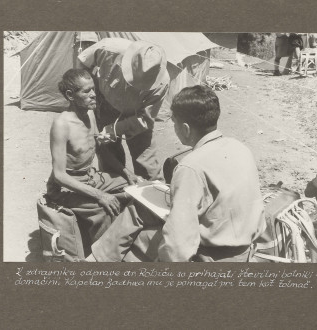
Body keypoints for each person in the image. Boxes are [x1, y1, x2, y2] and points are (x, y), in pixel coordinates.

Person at [86, 85, 266, 262]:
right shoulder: (239, 147)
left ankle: (100, 263)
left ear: (186, 128)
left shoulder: (190, 167)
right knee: (139, 208)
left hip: (213, 254)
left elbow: (177, 247)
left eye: (174, 124)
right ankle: (98, 258)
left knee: (142, 240)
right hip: (242, 242)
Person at [45, 68, 135, 251]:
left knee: (132, 189)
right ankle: (100, 256)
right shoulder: (61, 125)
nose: (94, 95)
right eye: (87, 91)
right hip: (65, 186)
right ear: (70, 95)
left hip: (89, 177)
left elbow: (100, 149)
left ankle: (114, 242)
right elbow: (60, 175)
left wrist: (126, 172)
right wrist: (100, 195)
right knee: (103, 209)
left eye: (93, 89)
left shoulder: (90, 114)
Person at [77, 38, 170, 181]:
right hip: (106, 104)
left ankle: (150, 196)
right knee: (109, 159)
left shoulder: (162, 83)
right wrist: (88, 97)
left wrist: (115, 129)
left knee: (147, 165)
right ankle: (117, 192)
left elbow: (145, 119)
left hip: (137, 115)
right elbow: (82, 65)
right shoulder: (108, 49)